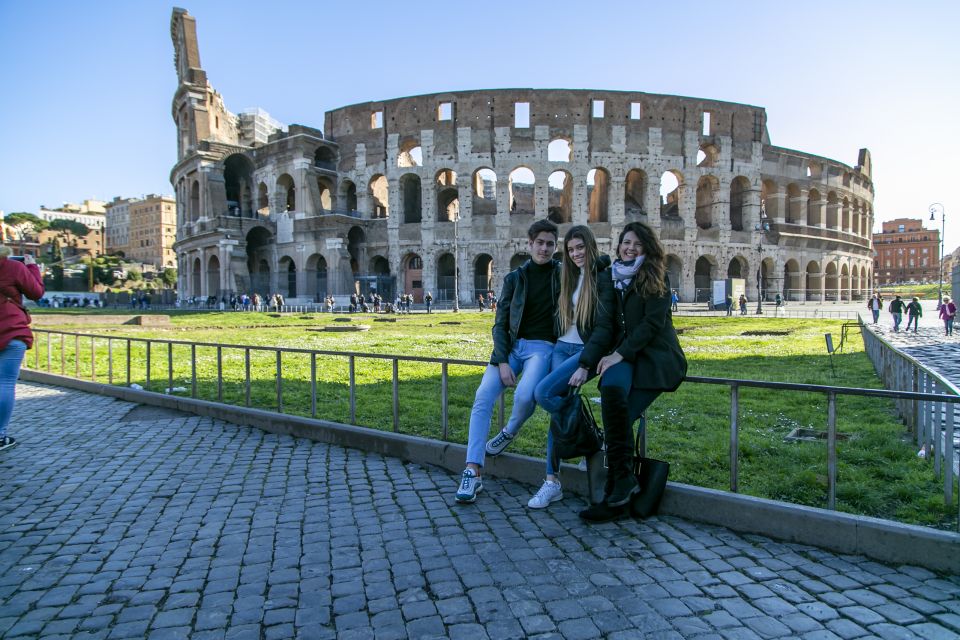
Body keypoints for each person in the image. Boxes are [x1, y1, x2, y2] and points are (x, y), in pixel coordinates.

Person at [579, 222, 687, 522]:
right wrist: (598, 357)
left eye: (637, 244)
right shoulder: (613, 276)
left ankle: (616, 492)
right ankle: (622, 486)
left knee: (621, 419)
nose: (630, 248)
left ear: (647, 248)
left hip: (653, 357)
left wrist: (618, 354)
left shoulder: (657, 277)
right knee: (612, 392)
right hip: (625, 356)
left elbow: (651, 326)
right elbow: (608, 323)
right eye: (626, 242)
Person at [455, 219, 560, 504]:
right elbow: (500, 323)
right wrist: (502, 360)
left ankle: (508, 431)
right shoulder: (515, 278)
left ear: (555, 246)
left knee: (526, 395)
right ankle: (472, 470)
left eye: (550, 243)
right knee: (482, 397)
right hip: (512, 348)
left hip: (543, 348)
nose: (545, 248)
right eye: (540, 242)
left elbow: (594, 263)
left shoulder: (563, 274)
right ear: (529, 244)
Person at [529, 225, 615, 509]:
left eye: (580, 248)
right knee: (559, 415)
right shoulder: (566, 274)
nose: (576, 254)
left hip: (583, 351)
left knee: (543, 394)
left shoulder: (602, 276)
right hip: (560, 347)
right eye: (571, 250)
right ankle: (552, 481)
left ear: (590, 247)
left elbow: (604, 326)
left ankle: (589, 440)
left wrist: (586, 364)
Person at [0, 248, 45, 451]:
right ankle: (0, 436)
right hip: (11, 330)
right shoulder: (12, 266)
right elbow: (36, 293)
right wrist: (32, 267)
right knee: (5, 383)